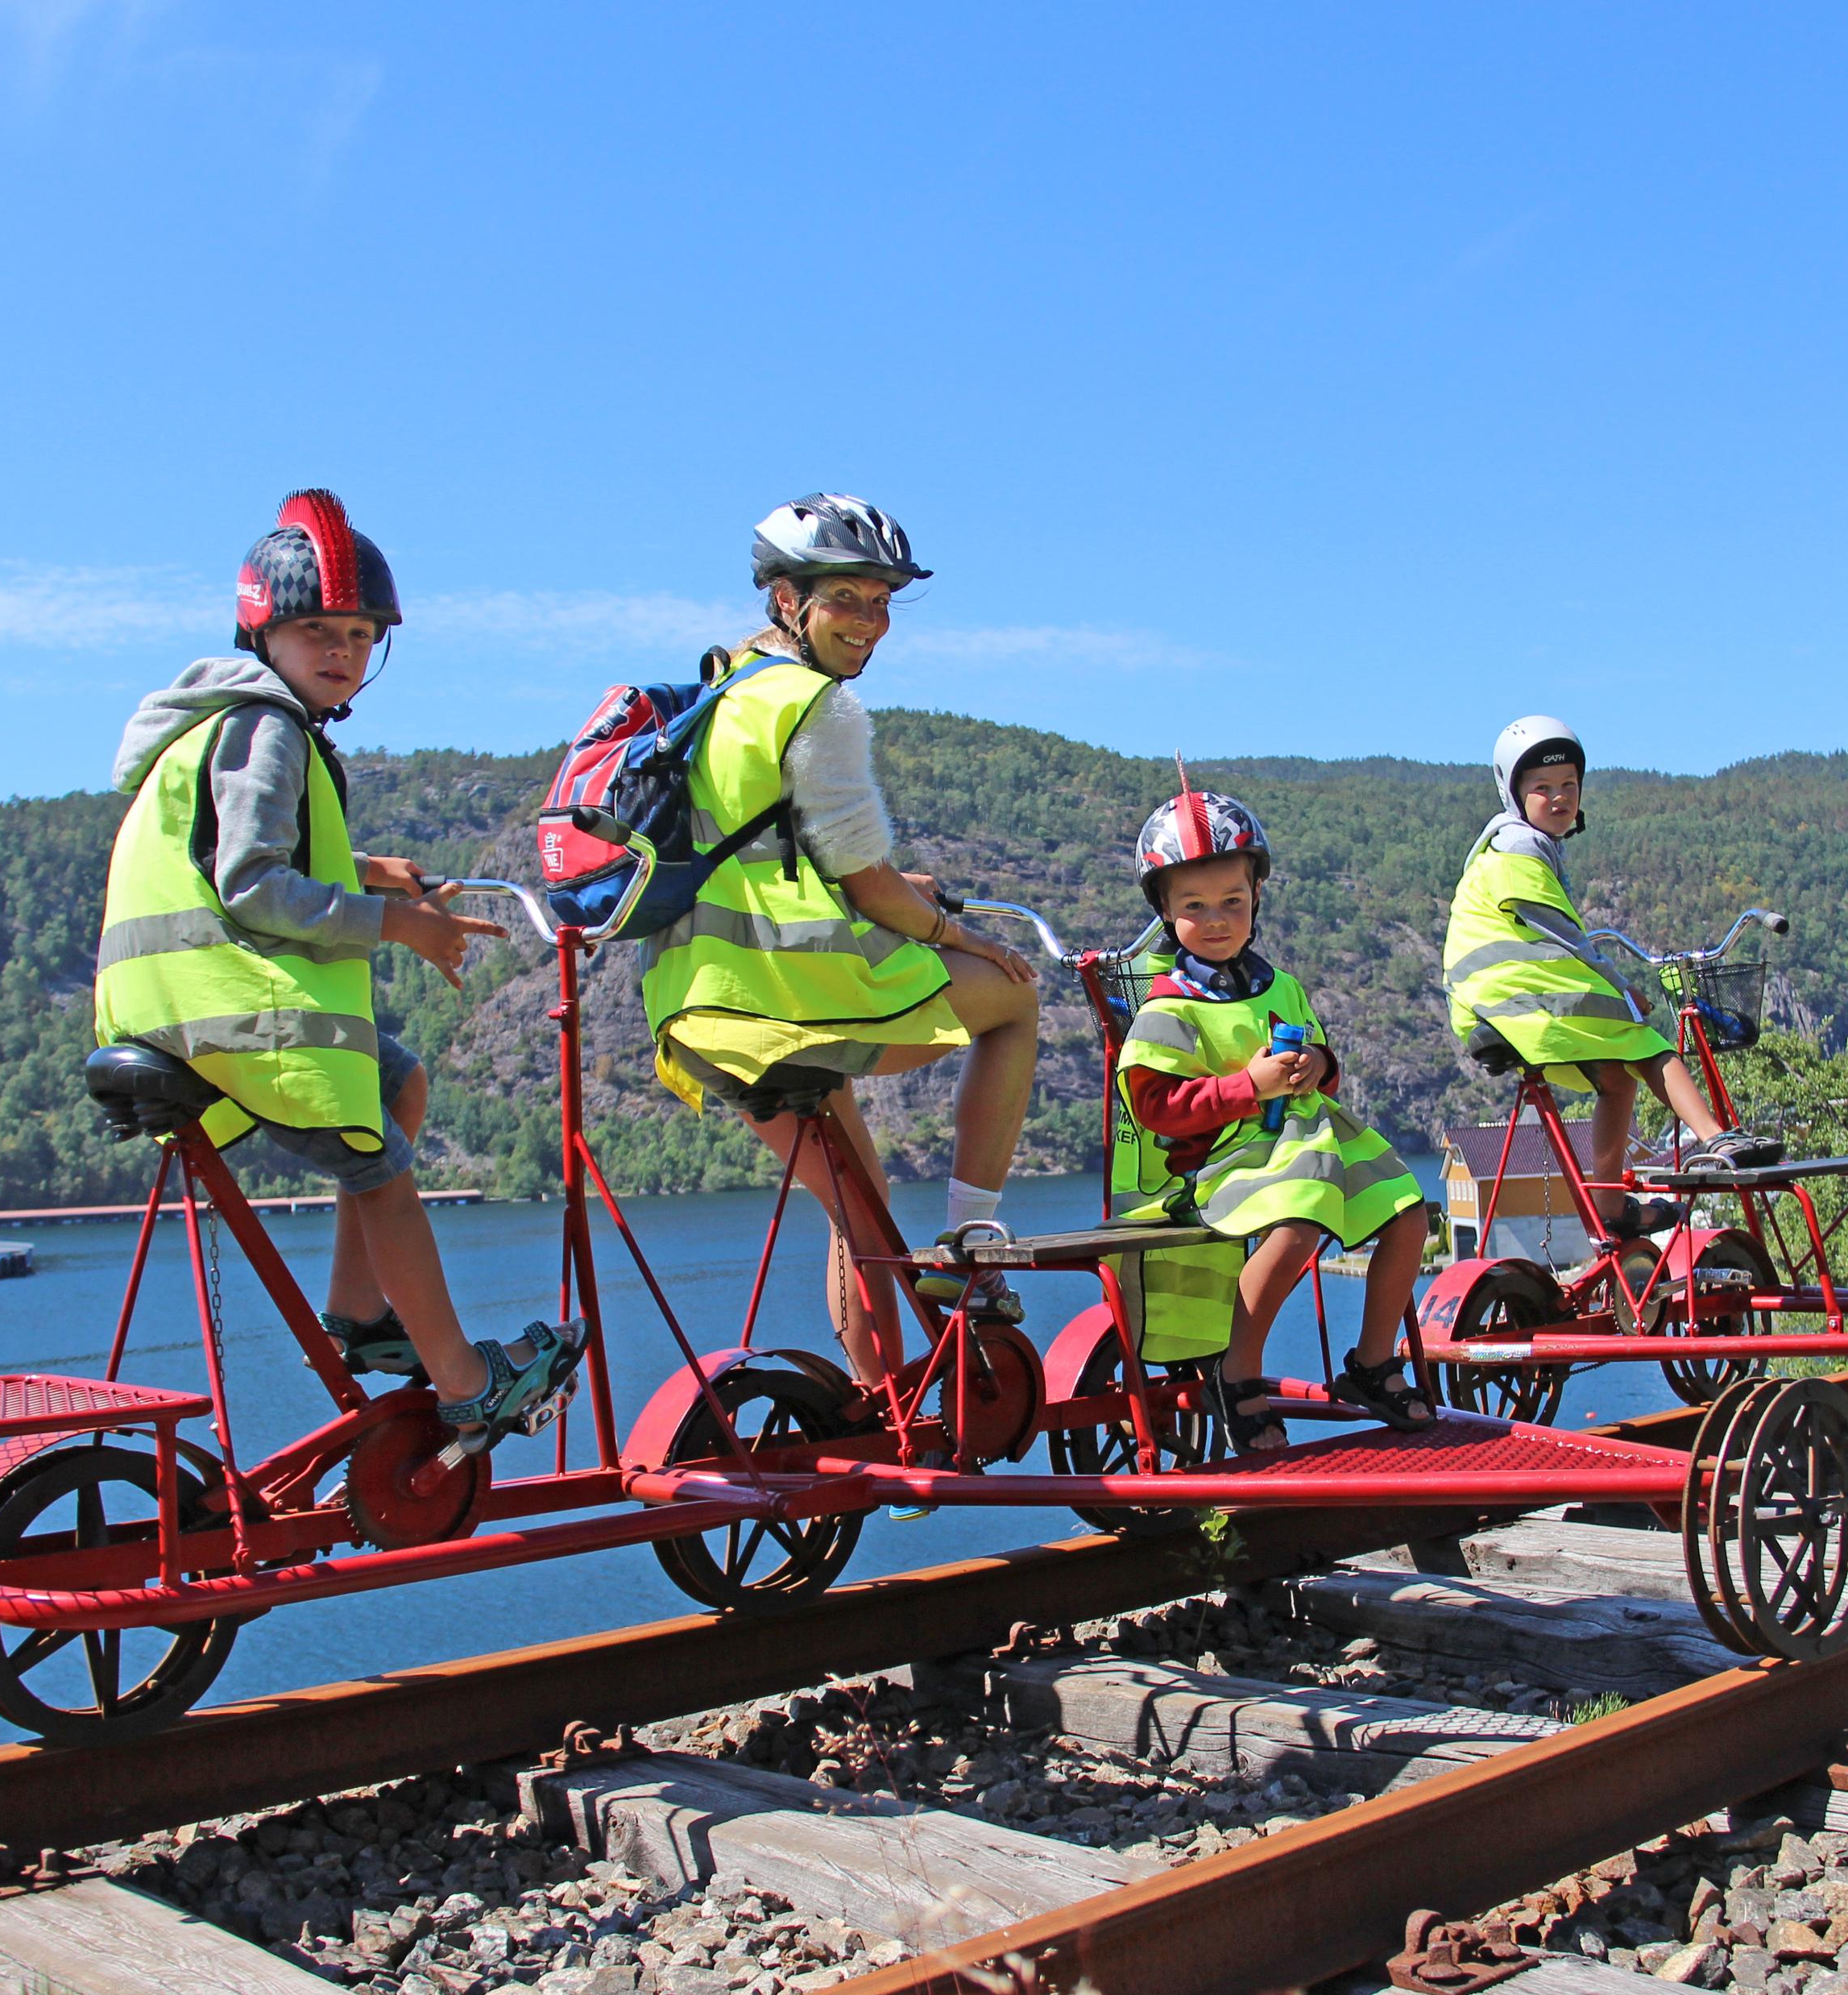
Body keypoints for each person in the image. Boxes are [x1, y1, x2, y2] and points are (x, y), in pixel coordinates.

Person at [95, 488, 580, 1463]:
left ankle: (361, 1316)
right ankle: (470, 1384)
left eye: (360, 634)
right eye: (316, 630)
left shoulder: (230, 723)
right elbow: (251, 885)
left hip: (177, 1005)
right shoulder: (266, 726)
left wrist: (365, 870)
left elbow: (228, 853)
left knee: (399, 1082)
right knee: (383, 1164)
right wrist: (396, 922)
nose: (341, 650)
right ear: (262, 629)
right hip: (220, 1009)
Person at [638, 494, 1042, 1381]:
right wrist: (948, 931)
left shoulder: (720, 689)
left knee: (859, 1211)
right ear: (788, 599)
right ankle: (972, 1230)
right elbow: (864, 880)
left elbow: (764, 850)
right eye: (847, 601)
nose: (872, 624)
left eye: (882, 603)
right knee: (1013, 996)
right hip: (795, 999)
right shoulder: (816, 705)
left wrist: (884, 893)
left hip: (700, 1012)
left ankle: (874, 1403)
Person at [1117, 782, 1438, 1445]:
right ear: (1165, 910)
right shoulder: (1168, 1008)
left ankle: (1373, 1362)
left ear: (1256, 898)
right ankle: (1238, 1375)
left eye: (1233, 902)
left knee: (1409, 1217)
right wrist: (1248, 1086)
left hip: (1304, 1147)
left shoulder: (1279, 984)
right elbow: (1157, 1110)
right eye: (1194, 907)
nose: (1216, 920)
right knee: (1296, 1223)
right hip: (1219, 1163)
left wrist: (1317, 1063)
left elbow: (1317, 1049)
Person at [1443, 715, 1780, 1238]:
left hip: (1494, 1001)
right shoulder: (1519, 847)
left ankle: (1610, 1205)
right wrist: (1622, 989)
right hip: (1518, 998)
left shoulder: (1510, 847)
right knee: (1647, 1045)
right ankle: (1717, 1139)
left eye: (1569, 786)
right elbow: (1562, 935)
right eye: (1542, 788)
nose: (1558, 798)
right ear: (1515, 795)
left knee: (1617, 1079)